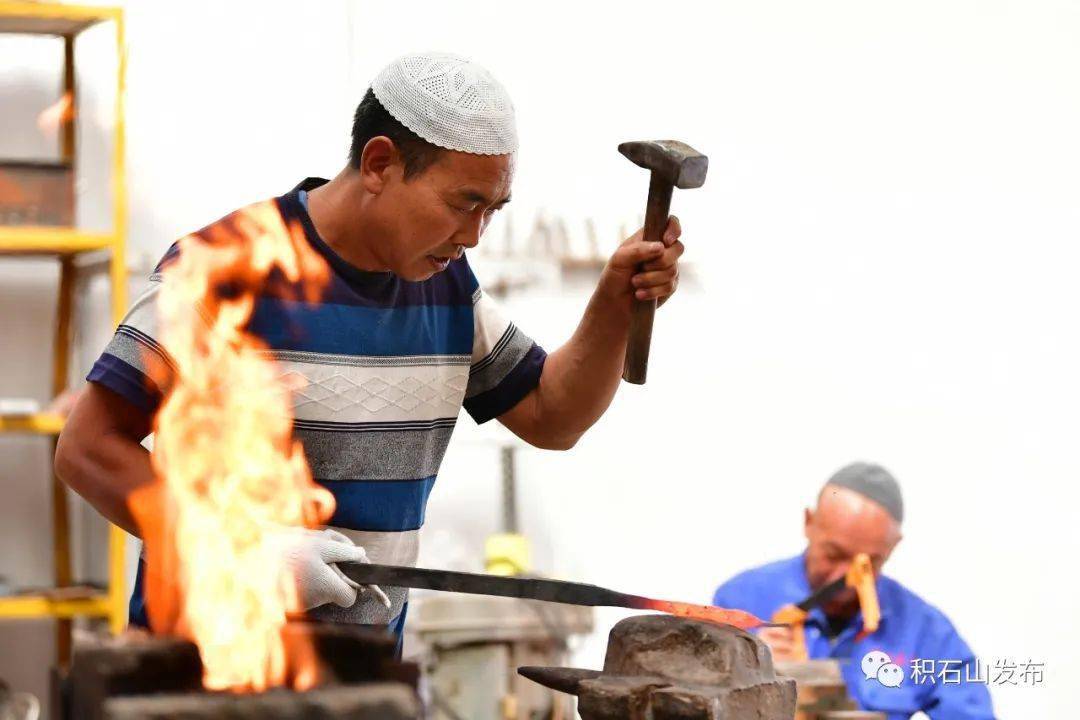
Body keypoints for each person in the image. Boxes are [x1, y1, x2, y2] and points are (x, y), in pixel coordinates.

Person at [55, 53, 685, 640]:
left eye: (492, 210)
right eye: (464, 204)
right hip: (199, 682)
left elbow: (553, 415)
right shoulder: (225, 272)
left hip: (362, 688)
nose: (474, 235)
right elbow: (87, 449)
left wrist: (614, 304)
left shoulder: (444, 289)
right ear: (381, 163)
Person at [712, 462, 994, 719]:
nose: (845, 579)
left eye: (867, 564)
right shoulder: (738, 601)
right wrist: (749, 672)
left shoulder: (927, 633)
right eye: (833, 555)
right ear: (809, 522)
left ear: (892, 547)